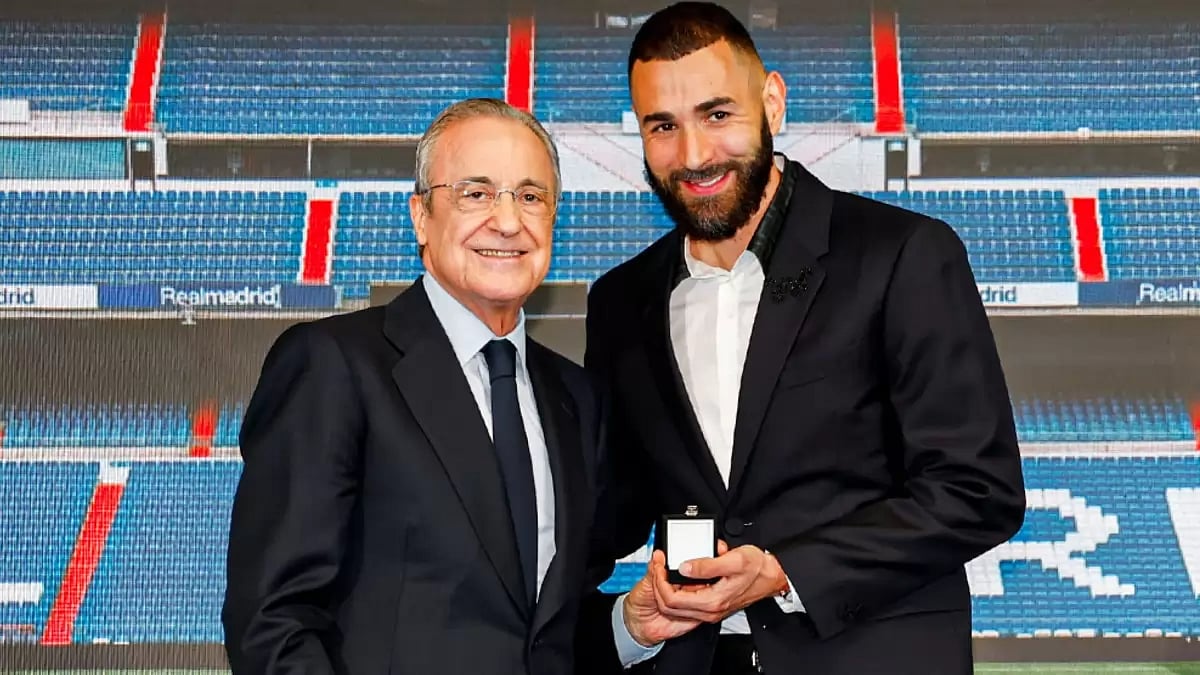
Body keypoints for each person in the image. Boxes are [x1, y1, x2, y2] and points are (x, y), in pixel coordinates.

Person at [577, 3, 1027, 674]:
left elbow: (977, 489)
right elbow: (609, 513)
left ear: (773, 102)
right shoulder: (619, 301)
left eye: (717, 114)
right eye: (663, 126)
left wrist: (786, 571)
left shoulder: (903, 254)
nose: (694, 154)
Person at [223, 98, 606, 675]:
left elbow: (549, 628)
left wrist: (631, 628)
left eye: (530, 196)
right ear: (421, 216)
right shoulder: (332, 365)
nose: (507, 221)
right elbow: (273, 622)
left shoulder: (576, 399)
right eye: (475, 193)